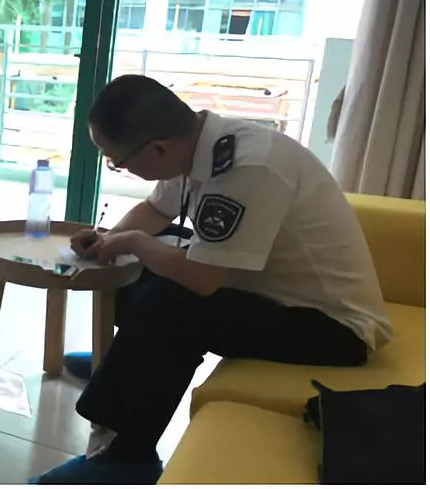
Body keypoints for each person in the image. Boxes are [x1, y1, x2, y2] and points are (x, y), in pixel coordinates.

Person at [34, 75, 392, 484]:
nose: (119, 168)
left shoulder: (249, 166)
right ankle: (124, 364)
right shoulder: (192, 144)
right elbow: (156, 211)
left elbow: (202, 280)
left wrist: (132, 242)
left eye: (118, 161)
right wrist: (108, 240)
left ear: (157, 148)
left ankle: (128, 458)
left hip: (331, 327)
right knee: (135, 269)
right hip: (269, 292)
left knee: (168, 303)